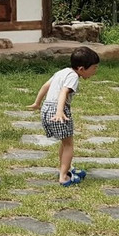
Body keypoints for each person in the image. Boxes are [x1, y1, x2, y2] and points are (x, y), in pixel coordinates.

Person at [29, 46, 101, 186]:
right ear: (81, 69)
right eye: (94, 68)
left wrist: (37, 103)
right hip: (58, 111)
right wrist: (60, 111)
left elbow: (45, 86)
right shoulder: (73, 77)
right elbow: (63, 92)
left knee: (64, 142)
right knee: (68, 145)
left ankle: (67, 168)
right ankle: (63, 177)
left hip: (46, 108)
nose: (94, 71)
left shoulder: (62, 72)